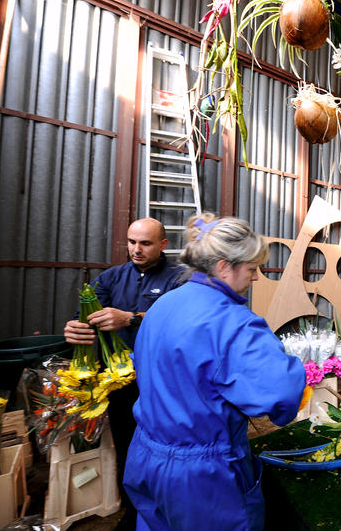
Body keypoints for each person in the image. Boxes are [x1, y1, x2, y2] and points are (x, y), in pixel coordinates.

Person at [123, 213, 307, 531]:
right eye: (252, 268)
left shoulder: (161, 307)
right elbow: (282, 395)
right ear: (224, 266)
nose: (257, 277)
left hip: (146, 457)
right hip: (203, 478)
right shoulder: (232, 322)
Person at [63, 217, 184, 530]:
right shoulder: (111, 278)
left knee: (165, 447)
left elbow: (180, 324)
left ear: (163, 245)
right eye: (132, 242)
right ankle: (135, 514)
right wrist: (76, 330)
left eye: (145, 243)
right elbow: (87, 320)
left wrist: (130, 318)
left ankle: (169, 511)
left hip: (161, 382)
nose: (136, 250)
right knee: (128, 447)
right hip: (120, 382)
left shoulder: (180, 279)